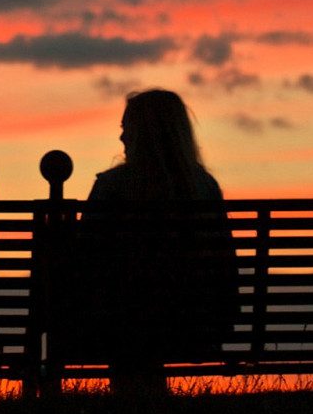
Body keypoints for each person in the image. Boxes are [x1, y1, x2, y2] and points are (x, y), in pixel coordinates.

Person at [71, 88, 236, 394]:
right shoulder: (204, 187)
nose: (121, 139)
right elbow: (226, 266)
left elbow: (85, 262)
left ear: (140, 134)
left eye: (126, 129)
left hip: (122, 327)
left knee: (125, 313)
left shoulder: (113, 187)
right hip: (197, 327)